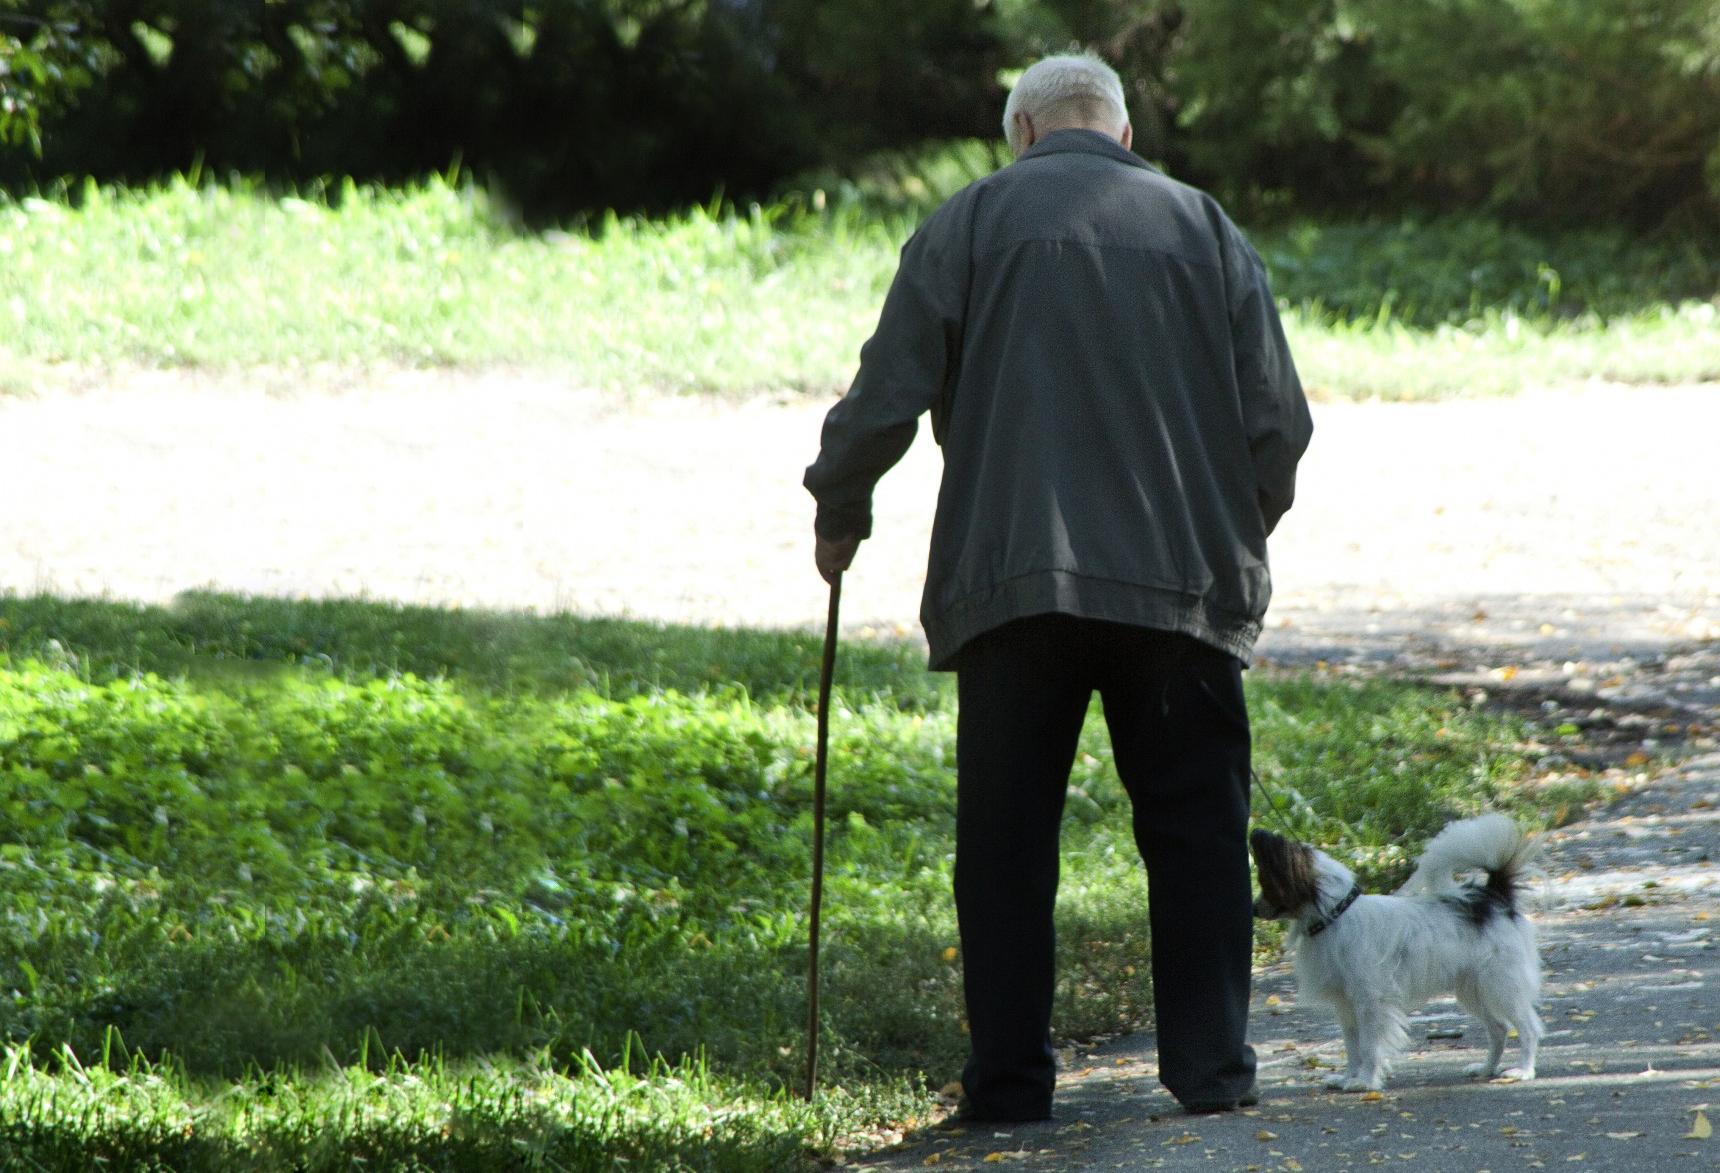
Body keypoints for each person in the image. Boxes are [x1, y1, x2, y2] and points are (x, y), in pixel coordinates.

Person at [803, 52, 1312, 1120]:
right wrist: (1228, 535)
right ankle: (1211, 1072)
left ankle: (1007, 1086)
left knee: (1004, 842)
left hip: (1012, 583)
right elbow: (1278, 424)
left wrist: (838, 505)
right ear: (1120, 134)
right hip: (1180, 592)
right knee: (1197, 833)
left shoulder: (969, 222)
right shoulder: (1203, 227)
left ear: (1022, 134)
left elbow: (885, 390)